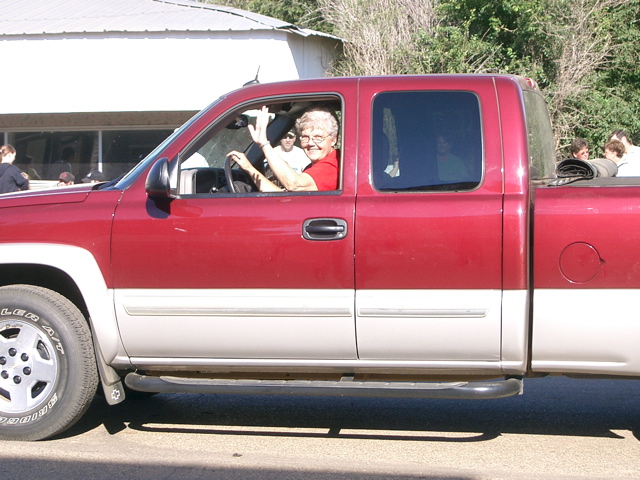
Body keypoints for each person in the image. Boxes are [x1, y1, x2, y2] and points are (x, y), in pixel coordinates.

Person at [227, 105, 340, 192]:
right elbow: (284, 195)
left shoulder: (333, 164)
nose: (310, 143)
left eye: (318, 137)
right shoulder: (314, 166)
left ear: (333, 139)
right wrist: (249, 168)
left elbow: (294, 185)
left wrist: (264, 144)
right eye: (305, 137)